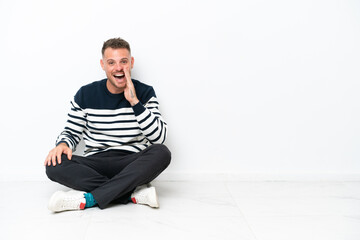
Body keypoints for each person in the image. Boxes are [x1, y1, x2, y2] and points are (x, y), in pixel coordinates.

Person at [44, 37, 171, 212]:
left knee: (161, 153)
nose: (118, 68)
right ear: (103, 65)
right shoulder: (85, 94)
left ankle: (89, 199)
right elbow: (71, 132)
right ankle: (131, 194)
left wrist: (135, 102)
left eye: (123, 62)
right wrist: (63, 144)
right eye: (111, 62)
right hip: (96, 163)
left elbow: (159, 137)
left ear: (131, 63)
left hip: (131, 163)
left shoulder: (145, 92)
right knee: (53, 164)